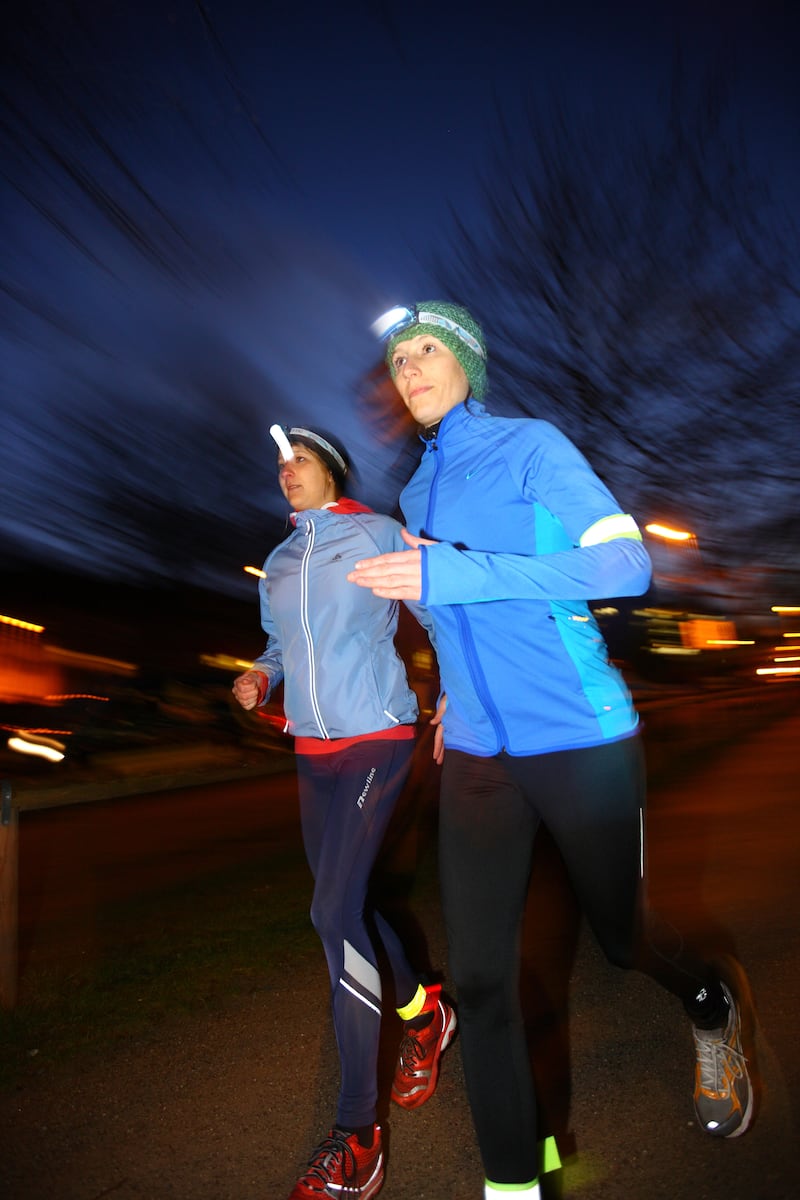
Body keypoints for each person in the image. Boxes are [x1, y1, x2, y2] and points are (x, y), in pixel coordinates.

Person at [348, 303, 755, 1200]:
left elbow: (624, 567)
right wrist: (452, 684)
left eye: (426, 350)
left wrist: (453, 573)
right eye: (397, 359)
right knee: (484, 981)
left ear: (467, 363)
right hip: (483, 760)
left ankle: (709, 1002)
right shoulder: (413, 495)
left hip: (584, 739)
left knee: (625, 941)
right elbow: (453, 611)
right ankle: (517, 1184)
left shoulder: (532, 446)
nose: (409, 368)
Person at [232, 423, 456, 1200]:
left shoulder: (375, 530)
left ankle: (357, 1134)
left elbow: (434, 606)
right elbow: (275, 645)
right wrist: (261, 679)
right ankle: (426, 1015)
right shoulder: (281, 561)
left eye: (299, 460)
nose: (286, 472)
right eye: (279, 465)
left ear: (330, 469)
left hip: (377, 737)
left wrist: (452, 689)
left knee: (331, 914)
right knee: (348, 906)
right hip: (312, 753)